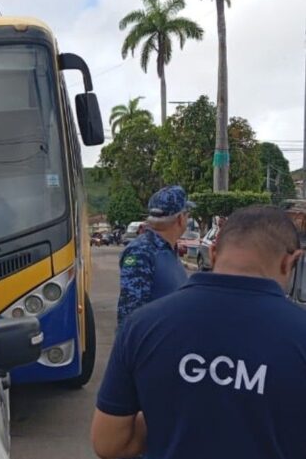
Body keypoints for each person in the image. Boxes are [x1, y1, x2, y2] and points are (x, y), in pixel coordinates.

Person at [91, 205, 306, 459]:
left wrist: (178, 413)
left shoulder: (142, 325)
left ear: (213, 253)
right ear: (291, 261)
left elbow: (109, 443)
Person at [116, 185, 192, 326]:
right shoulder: (141, 252)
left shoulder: (167, 249)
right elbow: (131, 315)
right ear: (181, 218)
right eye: (188, 214)